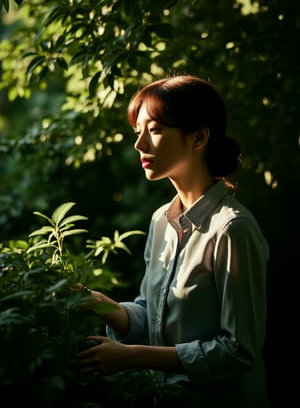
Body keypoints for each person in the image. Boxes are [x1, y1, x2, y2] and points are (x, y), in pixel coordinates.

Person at [77, 75, 270, 407]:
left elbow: (239, 352)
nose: (139, 145)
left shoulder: (232, 229)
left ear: (198, 138)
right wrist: (94, 301)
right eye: (138, 132)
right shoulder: (161, 220)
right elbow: (149, 312)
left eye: (154, 130)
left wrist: (133, 356)